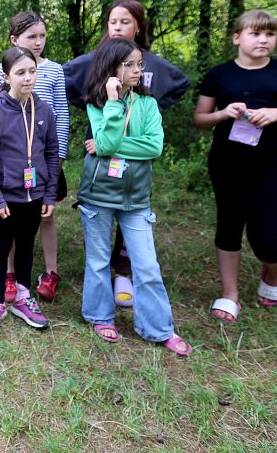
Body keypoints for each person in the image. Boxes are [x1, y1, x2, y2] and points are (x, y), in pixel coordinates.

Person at [64, 0, 191, 308]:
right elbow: (62, 78)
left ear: (138, 27)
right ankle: (100, 290)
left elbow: (155, 143)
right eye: (113, 21)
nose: (118, 27)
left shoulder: (149, 78)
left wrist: (153, 109)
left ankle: (123, 271)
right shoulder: (95, 67)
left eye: (125, 21)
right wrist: (95, 104)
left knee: (130, 209)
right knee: (103, 212)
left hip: (133, 165)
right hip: (102, 157)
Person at [194, 9, 277, 323]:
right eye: (255, 33)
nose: (263, 40)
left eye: (270, 34)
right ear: (237, 37)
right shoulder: (219, 75)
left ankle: (273, 272)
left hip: (270, 165)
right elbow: (200, 119)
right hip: (227, 163)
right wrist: (223, 113)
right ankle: (230, 294)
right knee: (229, 226)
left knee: (264, 236)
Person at [78, 38, 192, 356]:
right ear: (111, 67)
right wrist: (114, 102)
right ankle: (100, 316)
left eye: (139, 64)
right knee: (98, 261)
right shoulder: (96, 103)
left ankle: (158, 328)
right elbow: (107, 140)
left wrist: (108, 146)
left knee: (147, 265)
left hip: (136, 198)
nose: (137, 70)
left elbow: (153, 146)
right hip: (99, 195)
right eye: (128, 64)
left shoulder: (148, 104)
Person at [0, 47, 59, 333]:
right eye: (20, 72)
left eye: (32, 71)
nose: (28, 78)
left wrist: (49, 193)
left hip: (35, 194)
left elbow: (51, 153)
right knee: (2, 244)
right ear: (6, 77)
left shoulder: (44, 110)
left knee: (26, 243)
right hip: (6, 197)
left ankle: (23, 297)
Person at [0, 11, 69, 302]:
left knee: (44, 215)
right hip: (12, 164)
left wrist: (58, 158)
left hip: (44, 159)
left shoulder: (54, 70)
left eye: (42, 36)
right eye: (31, 36)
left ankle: (50, 271)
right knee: (11, 222)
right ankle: (10, 276)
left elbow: (61, 115)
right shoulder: (6, 70)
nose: (38, 41)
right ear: (14, 40)